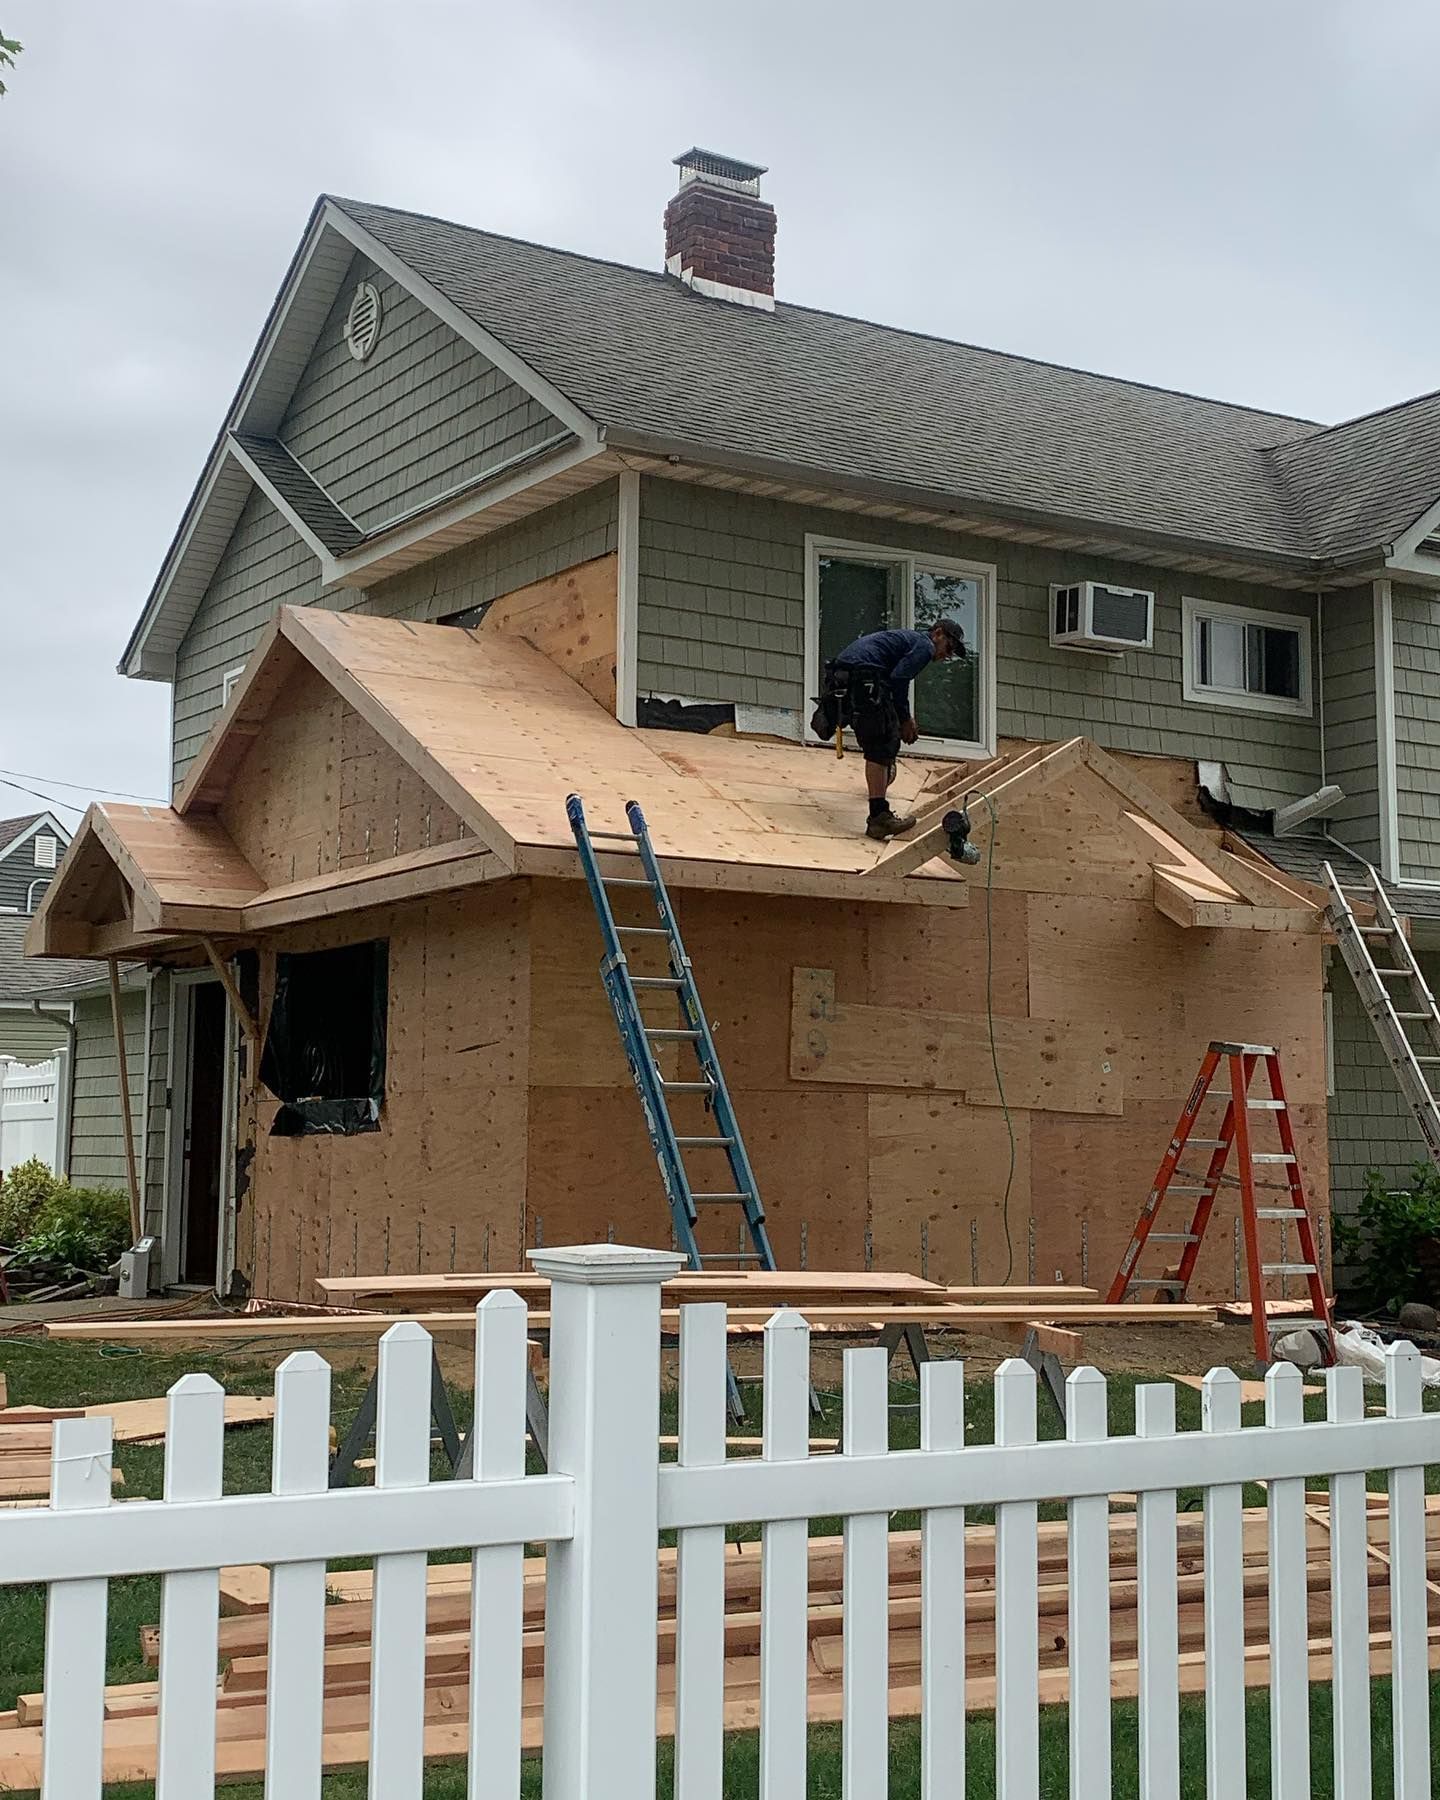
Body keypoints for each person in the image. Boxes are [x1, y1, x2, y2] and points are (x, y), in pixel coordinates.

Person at [810, 619, 968, 838]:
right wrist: (905, 719)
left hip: (847, 677)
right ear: (938, 634)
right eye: (949, 648)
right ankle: (879, 818)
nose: (947, 655)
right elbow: (899, 679)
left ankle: (882, 790)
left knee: (884, 741)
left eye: (953, 653)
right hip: (863, 678)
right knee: (882, 743)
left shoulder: (908, 640)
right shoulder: (924, 645)